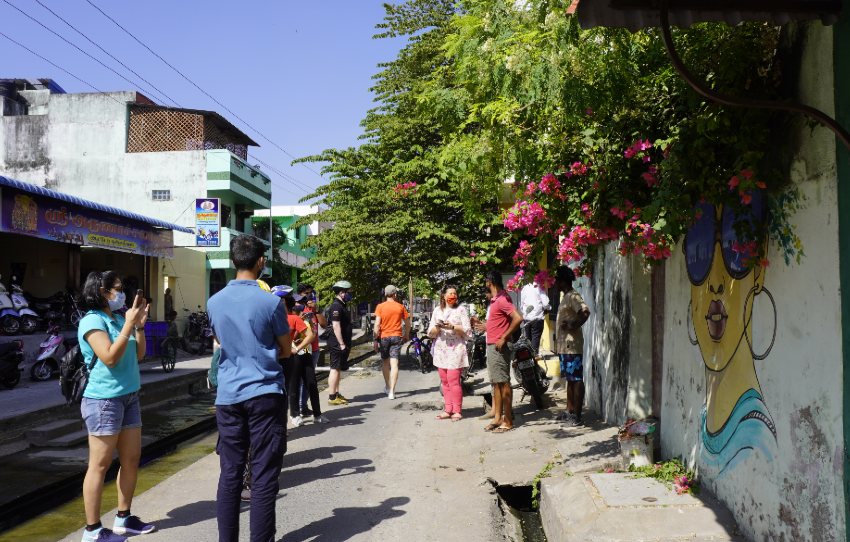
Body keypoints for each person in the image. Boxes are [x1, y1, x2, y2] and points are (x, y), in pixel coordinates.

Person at [207, 235, 291, 542]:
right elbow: (285, 350)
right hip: (265, 393)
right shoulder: (271, 302)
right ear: (261, 262)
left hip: (228, 396)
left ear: (233, 261)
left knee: (230, 474)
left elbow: (221, 341)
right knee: (264, 473)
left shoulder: (214, 302)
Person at [77, 270, 156, 542]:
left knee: (131, 458)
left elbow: (140, 354)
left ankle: (124, 517)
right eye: (117, 288)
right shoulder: (91, 322)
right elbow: (109, 357)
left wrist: (139, 326)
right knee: (99, 465)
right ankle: (92, 530)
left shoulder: (121, 317)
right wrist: (127, 325)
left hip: (130, 396)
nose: (121, 293)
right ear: (102, 291)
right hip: (103, 400)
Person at [483, 271, 523, 433]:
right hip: (493, 346)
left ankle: (508, 420)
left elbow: (518, 318)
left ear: (489, 282)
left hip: (499, 347)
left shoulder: (501, 300)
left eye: (486, 280)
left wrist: (504, 338)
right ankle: (498, 417)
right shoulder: (495, 300)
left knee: (504, 383)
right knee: (497, 384)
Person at [428, 285, 472, 421]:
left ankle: (457, 410)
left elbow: (467, 331)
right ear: (444, 296)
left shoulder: (461, 310)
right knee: (444, 382)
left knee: (454, 381)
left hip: (456, 350)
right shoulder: (437, 311)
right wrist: (438, 327)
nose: (453, 296)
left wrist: (452, 327)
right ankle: (448, 409)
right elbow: (430, 333)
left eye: (455, 293)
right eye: (450, 293)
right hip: (441, 350)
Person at [554, 266, 590, 426]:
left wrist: (573, 325)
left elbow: (585, 312)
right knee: (570, 379)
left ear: (562, 281)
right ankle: (570, 410)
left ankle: (578, 416)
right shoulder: (566, 296)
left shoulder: (573, 296)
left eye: (557, 280)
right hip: (565, 347)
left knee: (576, 379)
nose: (555, 283)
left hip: (571, 346)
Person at [374, 284, 411, 399]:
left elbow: (377, 324)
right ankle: (392, 392)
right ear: (395, 294)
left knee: (385, 363)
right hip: (396, 337)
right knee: (394, 364)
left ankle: (388, 386)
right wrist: (406, 335)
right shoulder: (400, 307)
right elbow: (408, 324)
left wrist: (375, 339)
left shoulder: (380, 307)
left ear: (385, 295)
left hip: (384, 337)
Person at [297, 283, 323, 415]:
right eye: (306, 294)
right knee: (301, 379)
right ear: (300, 294)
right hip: (303, 348)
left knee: (309, 379)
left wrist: (316, 310)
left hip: (315, 348)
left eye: (311, 293)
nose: (309, 296)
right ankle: (298, 408)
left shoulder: (313, 309)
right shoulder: (297, 308)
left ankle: (303, 406)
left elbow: (324, 324)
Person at [326, 280, 353, 406]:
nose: (349, 294)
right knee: (334, 368)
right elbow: (336, 325)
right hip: (337, 343)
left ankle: (336, 393)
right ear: (342, 293)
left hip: (342, 342)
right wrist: (341, 344)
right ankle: (332, 397)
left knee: (338, 369)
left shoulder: (342, 305)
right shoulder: (336, 306)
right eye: (348, 292)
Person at [520, 277, 550, 354]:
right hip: (537, 318)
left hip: (527, 318)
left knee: (528, 341)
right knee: (535, 342)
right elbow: (546, 303)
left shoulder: (524, 288)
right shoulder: (539, 287)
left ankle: (528, 361)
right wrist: (548, 308)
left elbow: (522, 304)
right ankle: (533, 359)